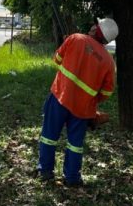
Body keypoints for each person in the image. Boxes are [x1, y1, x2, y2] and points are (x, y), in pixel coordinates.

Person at [36, 18, 118, 186]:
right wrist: (91, 99)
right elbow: (107, 92)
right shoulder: (109, 62)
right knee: (75, 145)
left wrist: (69, 46)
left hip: (60, 97)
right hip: (83, 109)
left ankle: (45, 171)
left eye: (96, 25)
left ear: (99, 31)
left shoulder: (75, 38)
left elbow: (57, 60)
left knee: (49, 137)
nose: (92, 25)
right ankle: (72, 178)